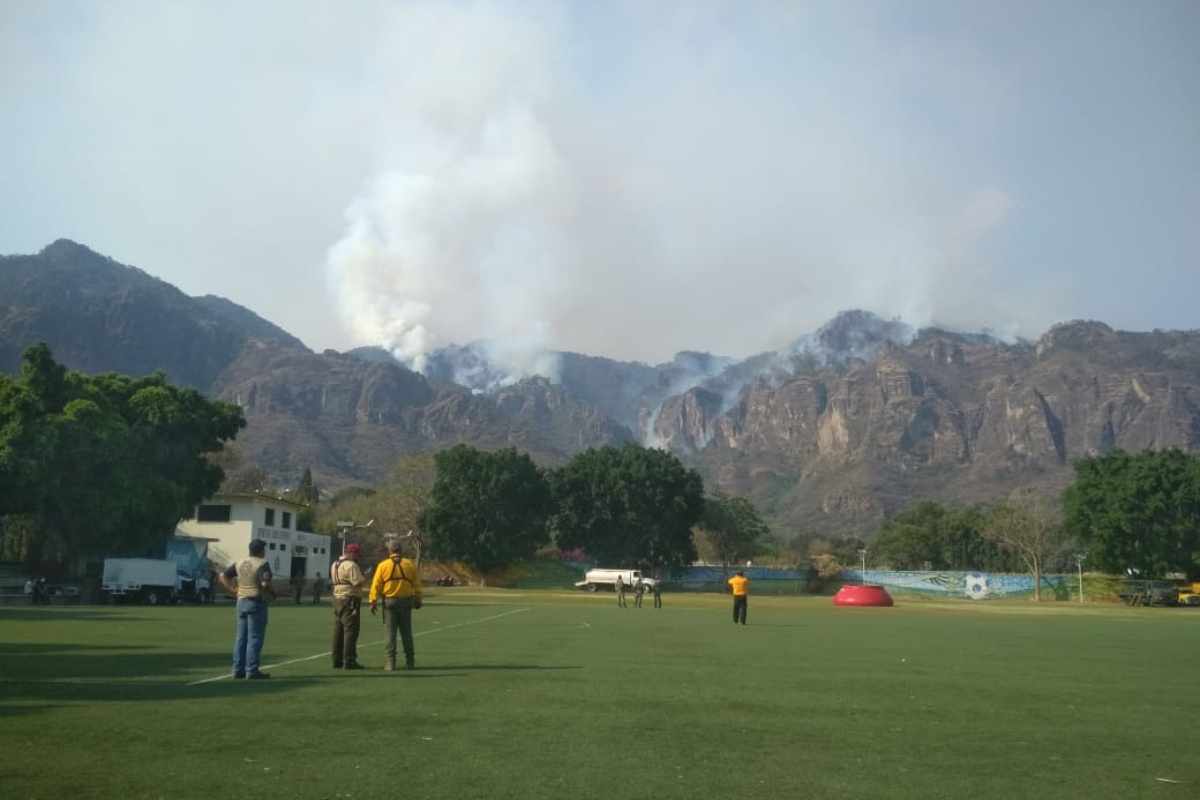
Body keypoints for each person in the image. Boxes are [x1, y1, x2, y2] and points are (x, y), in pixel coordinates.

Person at [218, 539, 277, 679]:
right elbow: (264, 584)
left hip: (241, 601)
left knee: (241, 637)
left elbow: (222, 575)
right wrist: (274, 593)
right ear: (261, 551)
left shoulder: (240, 562)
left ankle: (238, 669)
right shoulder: (262, 563)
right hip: (256, 602)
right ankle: (251, 669)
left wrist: (233, 589)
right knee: (255, 637)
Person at [369, 540, 424, 671]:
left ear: (390, 551)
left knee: (390, 634)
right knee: (406, 633)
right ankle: (410, 662)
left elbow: (376, 585)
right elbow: (417, 584)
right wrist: (418, 598)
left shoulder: (383, 565)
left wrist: (373, 601)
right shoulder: (409, 565)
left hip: (389, 603)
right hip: (406, 603)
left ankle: (390, 663)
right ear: (401, 551)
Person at [330, 543, 368, 670]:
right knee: (351, 630)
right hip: (350, 599)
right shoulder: (351, 565)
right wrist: (365, 576)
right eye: (357, 555)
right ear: (352, 553)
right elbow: (357, 582)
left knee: (338, 630)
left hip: (337, 598)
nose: (358, 558)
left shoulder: (335, 564)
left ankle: (337, 659)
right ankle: (349, 659)